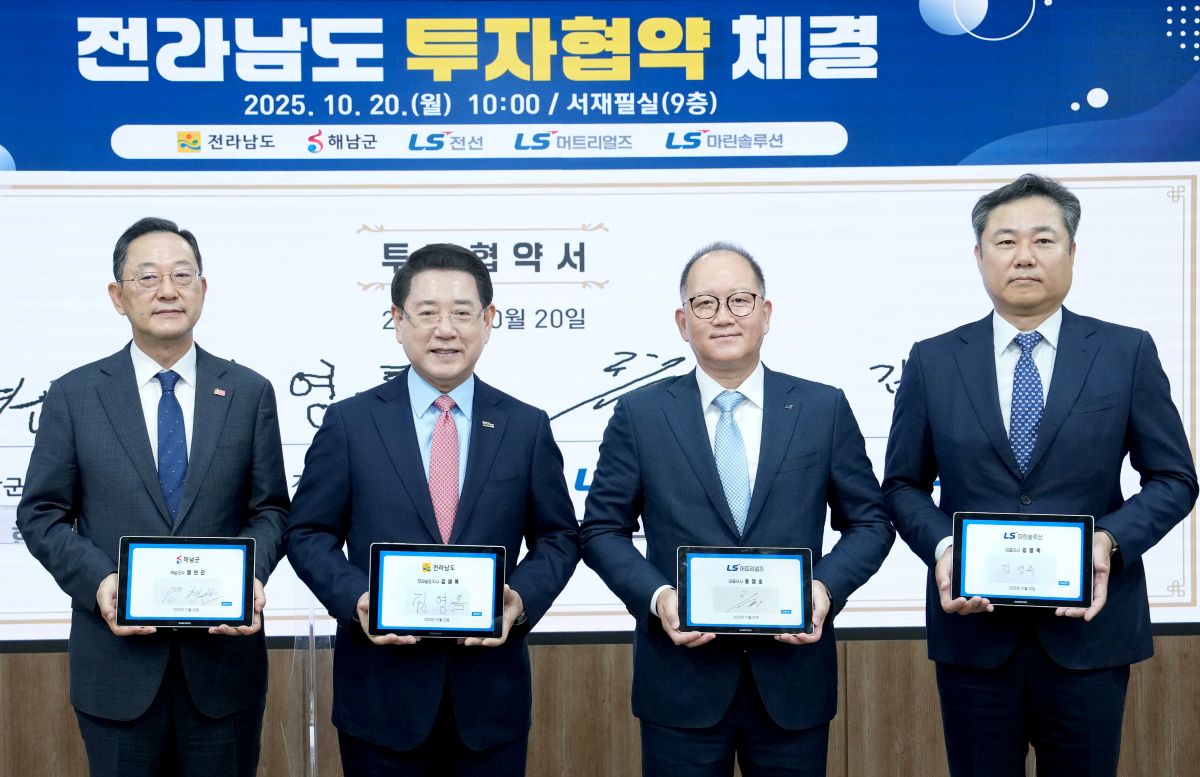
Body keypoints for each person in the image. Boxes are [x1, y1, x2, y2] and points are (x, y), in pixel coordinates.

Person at [882, 173, 1198, 777]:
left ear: (1072, 252)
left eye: (1043, 240)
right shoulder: (934, 359)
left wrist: (1108, 542)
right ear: (979, 255)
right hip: (974, 638)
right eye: (1005, 241)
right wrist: (946, 548)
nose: (1024, 255)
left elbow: (1174, 479)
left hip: (1089, 637)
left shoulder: (1126, 352)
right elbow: (901, 485)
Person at [579, 242, 895, 777]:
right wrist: (659, 598)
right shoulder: (640, 414)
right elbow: (602, 530)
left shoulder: (822, 408)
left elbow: (870, 522)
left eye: (739, 300)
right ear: (683, 322)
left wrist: (823, 589)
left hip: (793, 679)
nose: (723, 316)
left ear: (765, 313)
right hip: (680, 681)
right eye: (704, 303)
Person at [284, 243, 579, 776]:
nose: (446, 330)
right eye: (426, 313)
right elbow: (307, 532)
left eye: (462, 313)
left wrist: (521, 600)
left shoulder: (525, 426)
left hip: (490, 700)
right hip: (380, 698)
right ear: (398, 322)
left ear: (488, 321)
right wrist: (356, 599)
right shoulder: (350, 423)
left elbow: (558, 536)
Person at [16, 217, 290, 777]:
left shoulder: (248, 392)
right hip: (116, 670)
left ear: (203, 289)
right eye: (147, 277)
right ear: (118, 296)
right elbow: (41, 514)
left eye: (182, 275)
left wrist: (250, 576)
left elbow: (270, 510)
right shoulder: (75, 395)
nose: (168, 290)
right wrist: (100, 581)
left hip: (222, 670)